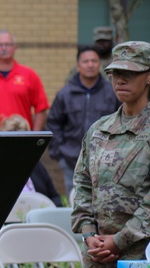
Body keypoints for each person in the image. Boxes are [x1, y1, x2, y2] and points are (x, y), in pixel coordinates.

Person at [72, 41, 150, 268]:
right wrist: (88, 234)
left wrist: (119, 241)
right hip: (97, 254)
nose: (120, 80)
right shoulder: (99, 129)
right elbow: (82, 184)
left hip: (141, 256)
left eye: (129, 74)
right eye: (115, 73)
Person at [47, 45, 120, 195]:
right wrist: (58, 151)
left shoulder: (112, 93)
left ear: (99, 64)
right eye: (86, 61)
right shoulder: (65, 94)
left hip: (106, 159)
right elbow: (53, 122)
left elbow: (122, 120)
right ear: (78, 66)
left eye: (94, 61)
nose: (90, 64)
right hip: (70, 159)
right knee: (74, 201)